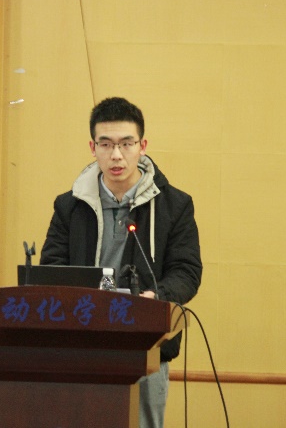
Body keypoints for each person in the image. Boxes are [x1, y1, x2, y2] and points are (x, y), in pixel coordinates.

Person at [40, 96, 203, 428]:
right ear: (93, 147)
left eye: (126, 144)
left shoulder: (174, 206)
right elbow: (51, 266)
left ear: (142, 146)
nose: (116, 155)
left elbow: (186, 271)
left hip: (146, 346)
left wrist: (157, 297)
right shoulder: (69, 206)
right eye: (106, 144)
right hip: (82, 345)